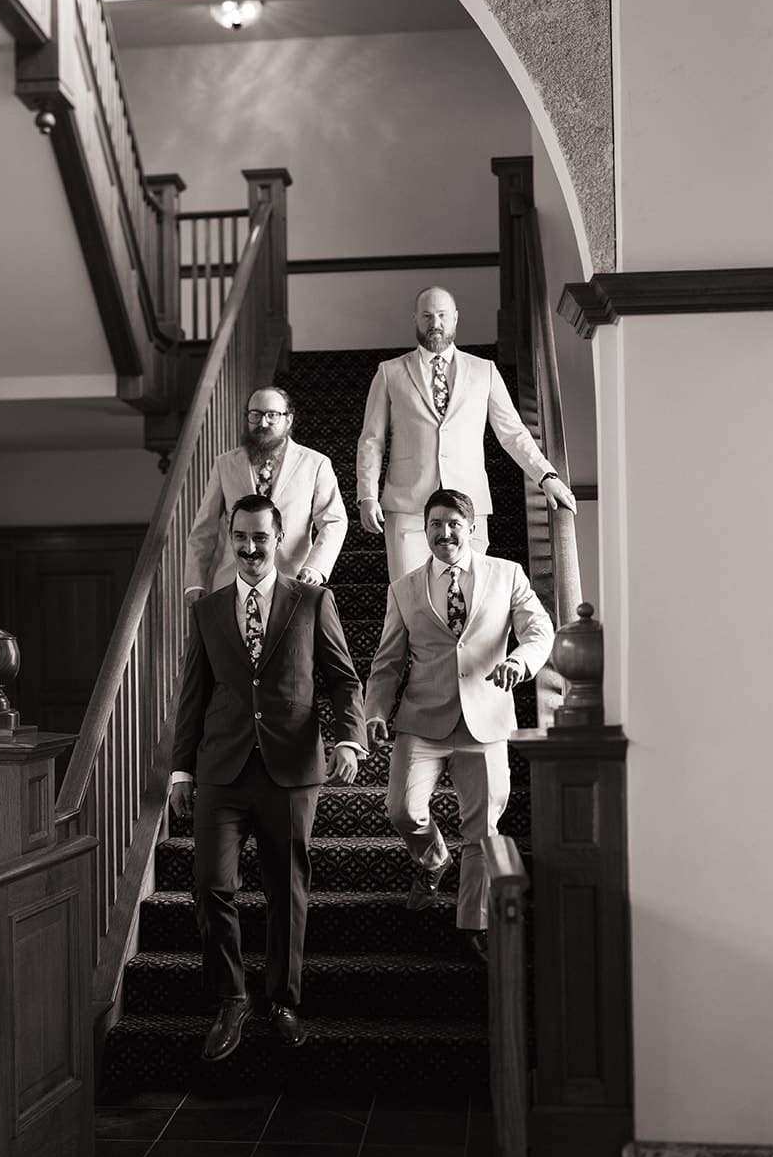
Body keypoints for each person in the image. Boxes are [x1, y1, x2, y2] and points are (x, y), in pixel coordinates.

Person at [170, 493, 367, 1061]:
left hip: (292, 769)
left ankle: (281, 1001)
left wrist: (349, 737)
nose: (251, 547)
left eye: (261, 537)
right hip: (221, 770)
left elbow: (342, 678)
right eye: (241, 537)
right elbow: (193, 695)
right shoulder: (207, 611)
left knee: (286, 891)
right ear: (230, 540)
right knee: (211, 885)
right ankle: (232, 998)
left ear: (279, 539)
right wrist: (183, 767)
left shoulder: (312, 600)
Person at [364, 488, 554, 960]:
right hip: (422, 719)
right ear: (423, 531)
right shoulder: (404, 588)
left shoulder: (506, 574)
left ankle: (474, 923)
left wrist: (519, 662)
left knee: (482, 829)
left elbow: (539, 630)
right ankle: (432, 858)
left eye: (453, 523)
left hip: (485, 718)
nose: (444, 532)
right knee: (402, 811)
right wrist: (374, 711)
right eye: (435, 525)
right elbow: (388, 662)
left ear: (470, 528)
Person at [356, 286, 577, 579]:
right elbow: (372, 440)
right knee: (410, 602)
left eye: (442, 315)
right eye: (427, 316)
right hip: (408, 508)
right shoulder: (390, 372)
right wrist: (367, 496)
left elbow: (512, 433)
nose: (435, 323)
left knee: (465, 600)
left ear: (455, 318)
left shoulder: (484, 370)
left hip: (468, 507)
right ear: (416, 319)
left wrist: (546, 476)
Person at [184, 385, 347, 602]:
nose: (262, 422)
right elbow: (204, 529)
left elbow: (334, 521)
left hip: (293, 582)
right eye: (255, 415)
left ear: (288, 419)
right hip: (233, 584)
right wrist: (195, 581)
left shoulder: (316, 464)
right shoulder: (224, 464)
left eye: (272, 415)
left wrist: (316, 567)